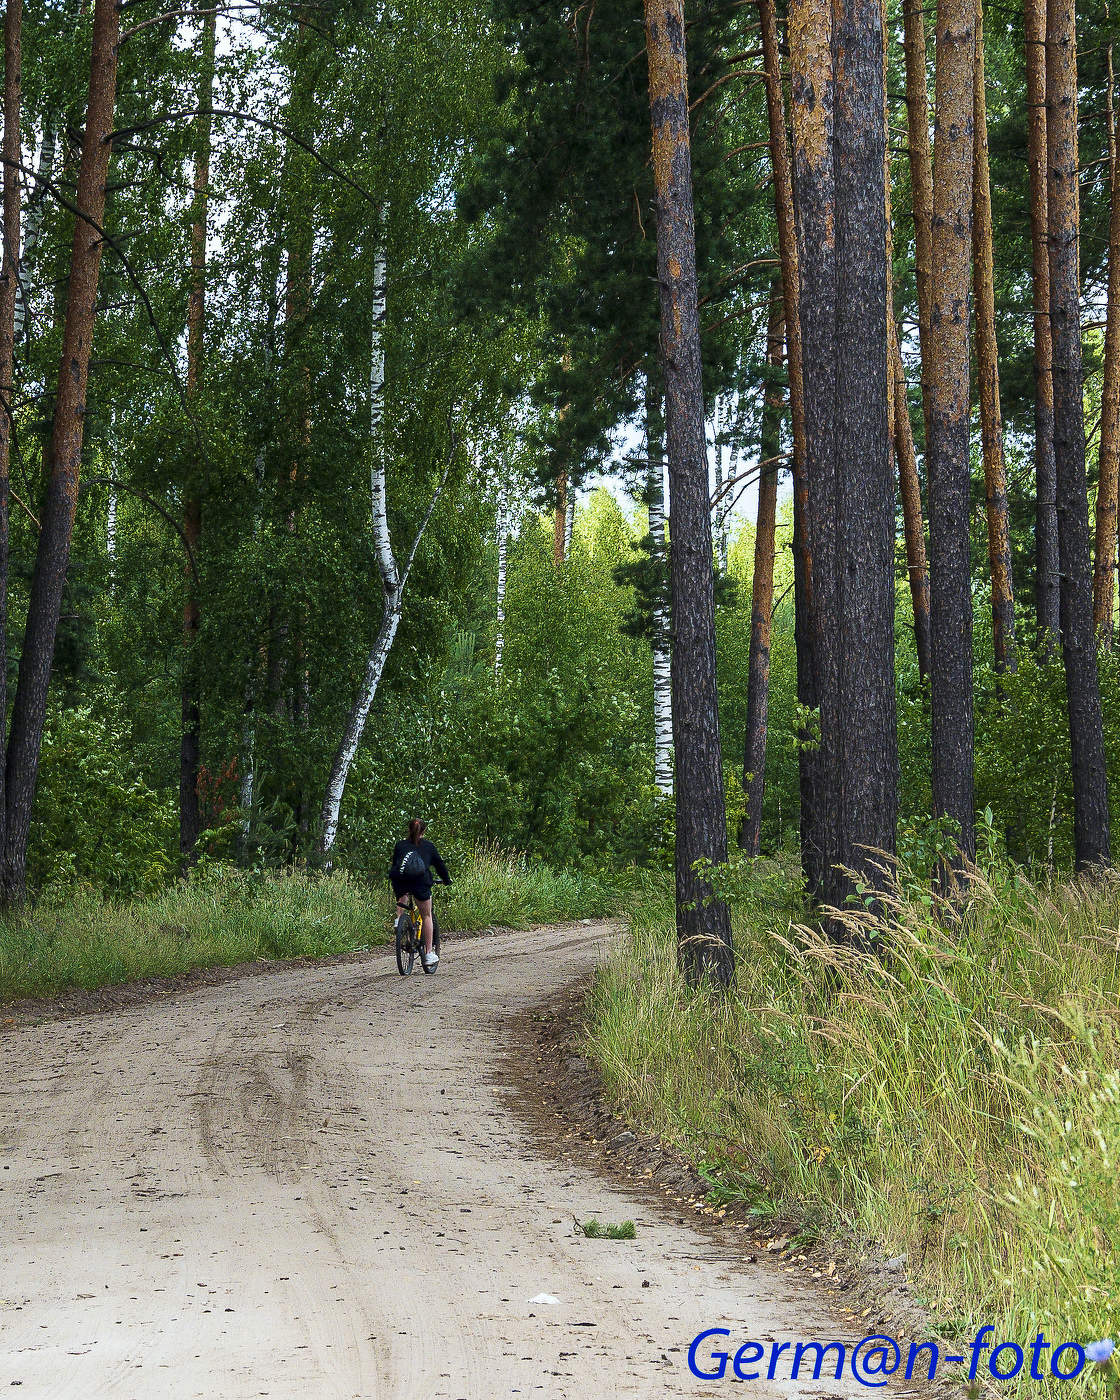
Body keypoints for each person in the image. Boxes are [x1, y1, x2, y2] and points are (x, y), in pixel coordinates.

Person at [389, 818, 451, 969]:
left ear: (408, 829)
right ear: (424, 831)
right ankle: (429, 953)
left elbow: (396, 864)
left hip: (400, 880)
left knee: (402, 891)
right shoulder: (428, 846)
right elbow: (439, 865)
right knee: (427, 915)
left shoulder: (400, 845)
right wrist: (446, 879)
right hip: (420, 882)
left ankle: (399, 920)